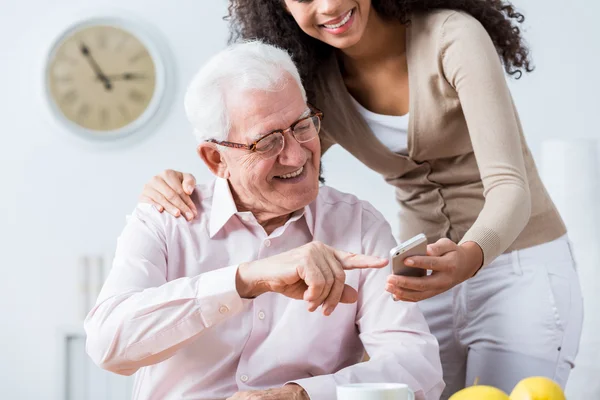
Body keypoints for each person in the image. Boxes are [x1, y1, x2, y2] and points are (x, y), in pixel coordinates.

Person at [138, 1, 583, 397]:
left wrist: (469, 256)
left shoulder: (452, 37)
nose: (329, 7)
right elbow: (269, 160)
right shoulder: (318, 82)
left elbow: (510, 185)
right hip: (420, 270)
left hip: (517, 260)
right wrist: (186, 181)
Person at [85, 41, 444, 400]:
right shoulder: (168, 218)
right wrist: (244, 280)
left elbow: (417, 364)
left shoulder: (359, 225)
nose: (296, 154)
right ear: (215, 158)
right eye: (268, 142)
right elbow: (108, 344)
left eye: (302, 125)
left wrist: (301, 395)